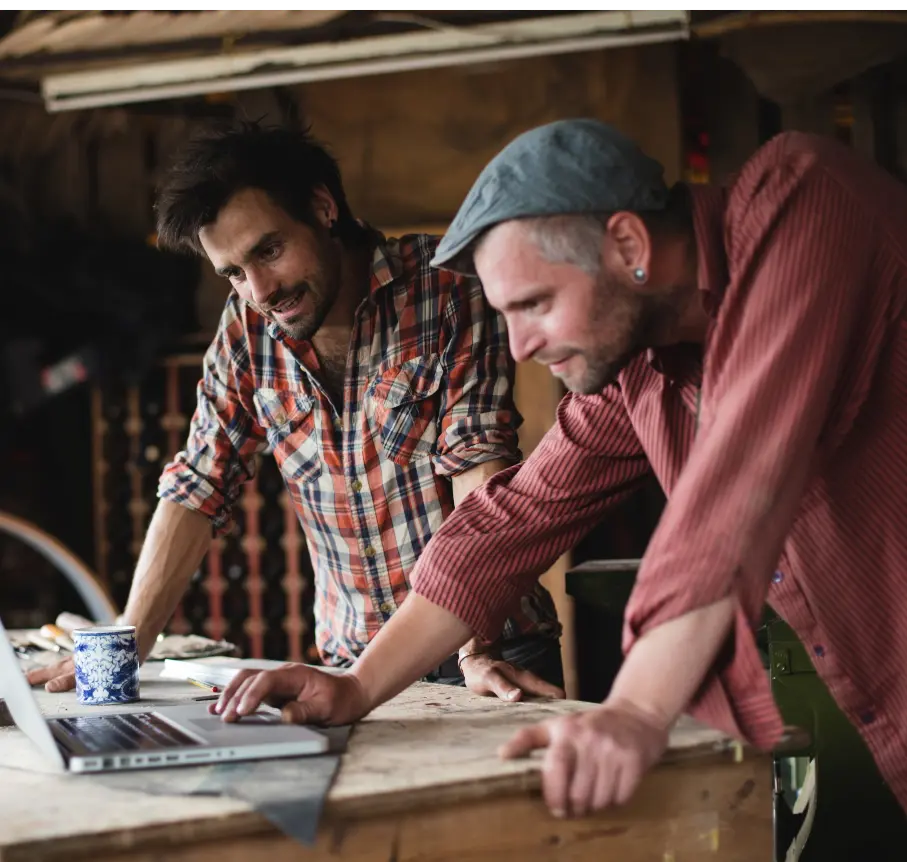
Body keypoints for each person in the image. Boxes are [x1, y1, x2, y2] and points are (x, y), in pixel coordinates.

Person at [205, 118, 907, 824]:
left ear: (628, 245)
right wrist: (355, 686)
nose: (516, 347)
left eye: (534, 304)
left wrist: (635, 710)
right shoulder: (642, 367)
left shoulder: (803, 204)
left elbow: (738, 477)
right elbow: (512, 520)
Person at [27, 121, 566, 703]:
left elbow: (478, 469)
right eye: (233, 272)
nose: (259, 290)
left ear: (324, 207)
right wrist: (127, 641)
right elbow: (198, 484)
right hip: (350, 662)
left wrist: (476, 649)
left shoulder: (447, 287)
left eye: (269, 251)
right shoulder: (246, 330)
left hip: (490, 648)